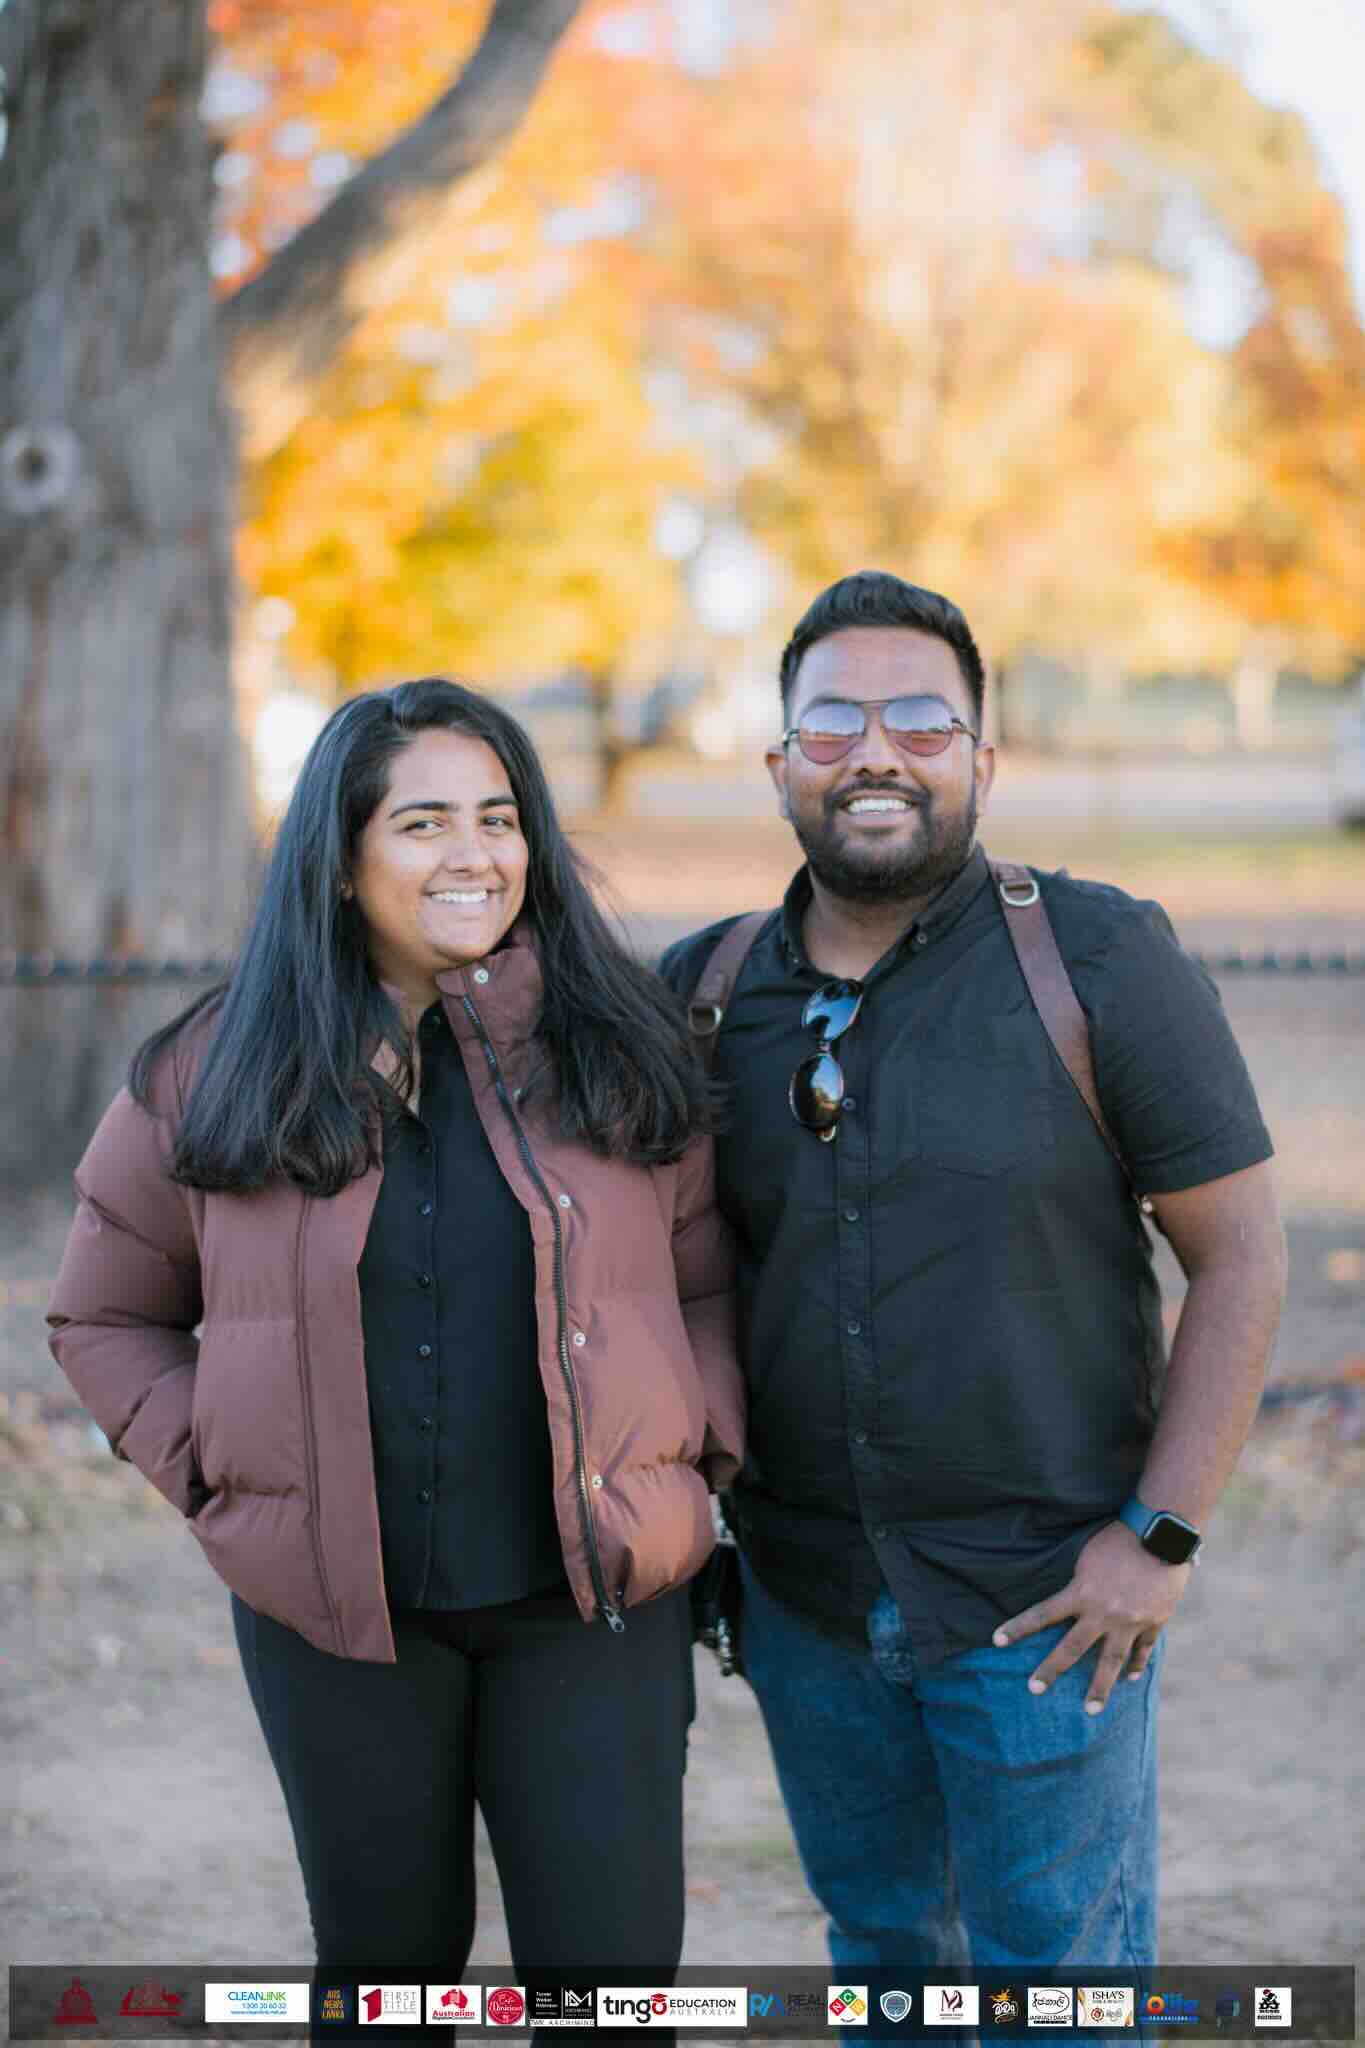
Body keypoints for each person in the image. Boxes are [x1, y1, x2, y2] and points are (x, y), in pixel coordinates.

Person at [48, 677, 743, 2016]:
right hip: (341, 1629)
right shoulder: (215, 1066)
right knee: (383, 1993)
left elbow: (712, 1285)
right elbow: (103, 1312)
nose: (472, 853)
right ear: (341, 855)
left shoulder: (621, 1046)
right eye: (423, 823)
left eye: (498, 817)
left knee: (609, 2000)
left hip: (591, 1618)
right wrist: (226, 1476)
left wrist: (691, 1455)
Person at [660, 571, 1285, 1990]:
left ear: (981, 762)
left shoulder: (1097, 956)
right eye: (833, 723)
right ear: (779, 765)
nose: (875, 752)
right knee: (887, 1961)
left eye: (921, 721)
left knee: (1058, 1983)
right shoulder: (702, 997)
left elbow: (1241, 1256)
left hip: (1047, 1605)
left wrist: (1159, 1541)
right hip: (806, 1600)